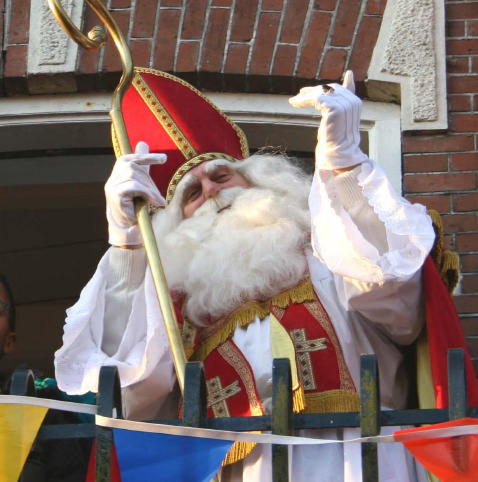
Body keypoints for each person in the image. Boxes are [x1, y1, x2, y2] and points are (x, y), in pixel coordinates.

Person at [55, 71, 435, 481]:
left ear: (260, 181)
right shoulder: (178, 314)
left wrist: (343, 165)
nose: (212, 192)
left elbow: (398, 304)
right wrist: (128, 244)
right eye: (192, 194)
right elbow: (130, 392)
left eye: (221, 176)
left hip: (358, 459)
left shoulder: (331, 251)